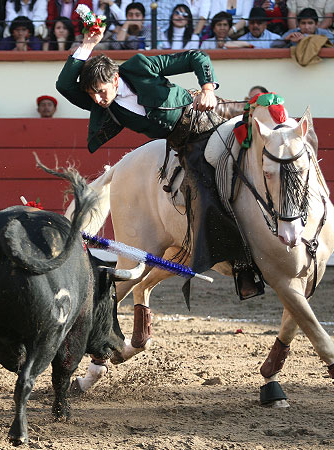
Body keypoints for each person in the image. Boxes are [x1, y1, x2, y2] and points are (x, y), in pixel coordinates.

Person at [56, 25, 258, 305]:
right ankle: (243, 265)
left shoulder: (140, 66)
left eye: (101, 92)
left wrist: (207, 88)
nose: (98, 100)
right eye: (93, 96)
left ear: (115, 79)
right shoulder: (104, 107)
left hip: (212, 112)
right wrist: (88, 44)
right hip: (188, 145)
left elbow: (195, 57)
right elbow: (64, 86)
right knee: (208, 195)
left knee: (269, 127)